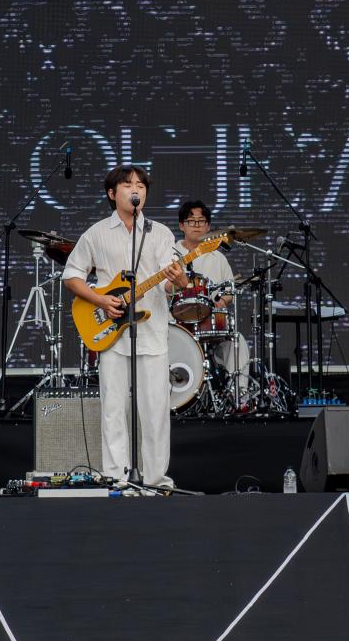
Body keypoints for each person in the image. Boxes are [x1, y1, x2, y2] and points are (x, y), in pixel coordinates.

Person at [63, 166, 187, 487]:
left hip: (152, 331)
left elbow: (171, 282)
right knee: (114, 409)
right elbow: (72, 275)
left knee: (155, 411)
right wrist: (101, 300)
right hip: (111, 332)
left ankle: (156, 480)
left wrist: (178, 279)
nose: (136, 190)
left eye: (141, 186)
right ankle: (117, 478)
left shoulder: (160, 233)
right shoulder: (96, 233)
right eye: (128, 185)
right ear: (112, 193)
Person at [176, 198, 251, 405]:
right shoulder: (171, 253)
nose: (196, 225)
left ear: (208, 226)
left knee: (237, 342)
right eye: (191, 221)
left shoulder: (218, 257)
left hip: (210, 325)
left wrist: (223, 301)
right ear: (182, 225)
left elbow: (229, 289)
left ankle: (238, 398)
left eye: (201, 221)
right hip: (177, 325)